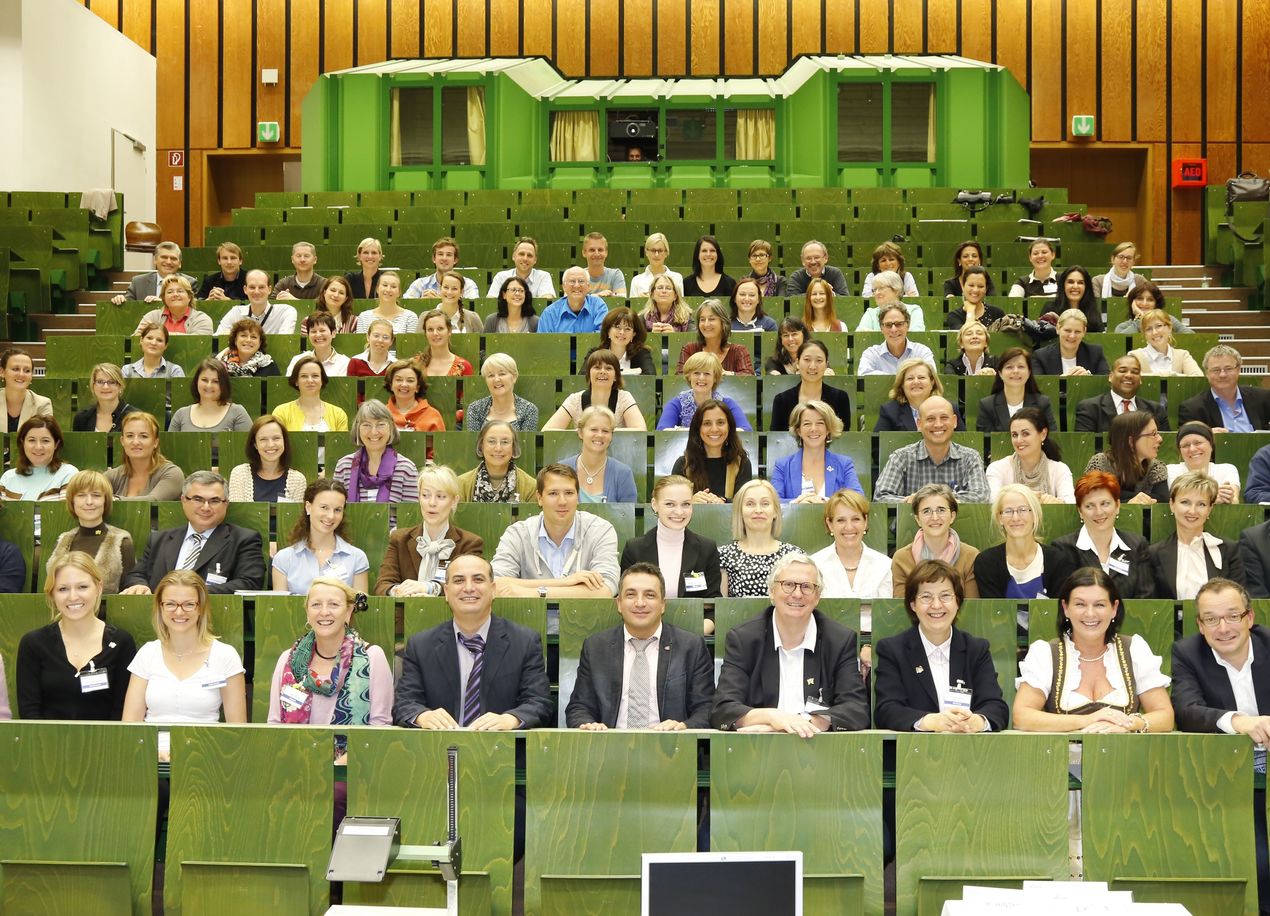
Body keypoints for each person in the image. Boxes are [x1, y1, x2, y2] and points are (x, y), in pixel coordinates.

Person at [711, 551, 870, 734]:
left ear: (817, 596)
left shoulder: (839, 640)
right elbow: (723, 709)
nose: (797, 594)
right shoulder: (744, 639)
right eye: (788, 585)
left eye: (806, 586)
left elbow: (856, 709)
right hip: (758, 749)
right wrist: (773, 717)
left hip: (818, 747)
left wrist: (808, 723)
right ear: (771, 591)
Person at [394, 554, 552, 730]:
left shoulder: (524, 642)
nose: (469, 588)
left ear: (493, 589)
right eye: (459, 580)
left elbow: (539, 703)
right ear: (446, 592)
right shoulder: (421, 645)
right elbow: (404, 704)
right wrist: (423, 716)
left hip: (501, 750)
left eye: (478, 579)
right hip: (437, 750)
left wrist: (510, 719)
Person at [1013, 567, 1173, 733]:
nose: (1090, 614)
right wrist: (1089, 720)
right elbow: (1022, 716)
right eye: (1080, 604)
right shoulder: (1045, 654)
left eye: (1099, 605)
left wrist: (1129, 724)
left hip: (1126, 756)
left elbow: (1165, 716)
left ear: (1114, 608)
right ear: (1065, 607)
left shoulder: (1134, 650)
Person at [566, 562, 715, 730]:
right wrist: (589, 725)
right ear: (619, 604)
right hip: (609, 748)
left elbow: (707, 708)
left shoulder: (690, 647)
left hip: (671, 749)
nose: (640, 603)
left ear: (663, 604)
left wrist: (684, 726)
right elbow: (578, 707)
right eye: (630, 595)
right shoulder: (596, 647)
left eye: (650, 595)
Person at [122, 571, 248, 754]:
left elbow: (237, 731)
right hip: (149, 758)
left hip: (205, 760)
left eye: (189, 604)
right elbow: (130, 726)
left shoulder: (225, 656)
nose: (179, 612)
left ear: (201, 608)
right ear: (160, 607)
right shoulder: (148, 653)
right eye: (171, 604)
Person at [874, 560, 1009, 732]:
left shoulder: (976, 650)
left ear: (957, 602)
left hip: (969, 752)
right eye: (926, 597)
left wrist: (977, 721)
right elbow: (886, 710)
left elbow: (996, 707)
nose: (936, 605)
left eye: (945, 596)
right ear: (913, 604)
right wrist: (928, 722)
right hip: (911, 753)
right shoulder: (893, 650)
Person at [17, 552, 137, 719]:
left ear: (99, 588)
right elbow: (30, 714)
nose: (73, 597)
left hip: (107, 743)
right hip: (46, 743)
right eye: (63, 589)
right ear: (52, 594)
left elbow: (122, 712)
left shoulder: (121, 642)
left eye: (82, 587)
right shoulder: (34, 644)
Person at [267, 577, 393, 727]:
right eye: (316, 605)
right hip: (296, 749)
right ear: (307, 612)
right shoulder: (288, 660)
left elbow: (380, 726)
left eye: (333, 604)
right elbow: (275, 724)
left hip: (353, 750)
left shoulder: (372, 658)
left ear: (348, 612)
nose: (324, 612)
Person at [119, 471, 265, 595]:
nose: (205, 507)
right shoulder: (159, 539)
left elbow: (249, 583)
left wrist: (190, 594)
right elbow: (136, 575)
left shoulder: (244, 540)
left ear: (225, 503)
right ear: (183, 500)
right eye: (198, 499)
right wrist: (139, 585)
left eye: (214, 501)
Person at [491, 464, 620, 598]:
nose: (562, 501)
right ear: (539, 498)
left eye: (569, 493)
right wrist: (565, 582)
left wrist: (536, 592)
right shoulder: (517, 534)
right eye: (553, 493)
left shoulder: (600, 530)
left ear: (578, 497)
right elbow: (495, 584)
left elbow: (606, 589)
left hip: (583, 618)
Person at [374, 466, 485, 597]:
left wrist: (429, 588)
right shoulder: (399, 539)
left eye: (441, 496)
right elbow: (382, 585)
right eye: (425, 495)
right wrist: (399, 591)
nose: (432, 503)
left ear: (454, 501)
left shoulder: (469, 543)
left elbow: (468, 587)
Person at [1048, 471, 1154, 599]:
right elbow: (1064, 602)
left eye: (1105, 504)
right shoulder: (1063, 549)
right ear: (1080, 512)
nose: (1099, 512)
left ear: (1118, 506)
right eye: (1089, 506)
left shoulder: (1137, 546)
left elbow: (1146, 599)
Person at [620, 475, 722, 598]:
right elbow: (628, 597)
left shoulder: (707, 549)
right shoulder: (634, 549)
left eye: (686, 504)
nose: (679, 512)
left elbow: (712, 602)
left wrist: (707, 618)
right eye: (670, 504)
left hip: (693, 618)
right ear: (654, 505)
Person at [1147, 472, 1244, 600]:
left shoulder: (1228, 550)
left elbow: (1239, 600)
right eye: (1185, 502)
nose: (1192, 511)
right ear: (1172, 504)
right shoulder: (1154, 554)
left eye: (1201, 504)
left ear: (1210, 509)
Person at [874, 397, 990, 503]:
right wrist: (908, 502)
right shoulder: (901, 457)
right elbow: (881, 496)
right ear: (919, 424)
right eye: (930, 419)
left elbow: (981, 496)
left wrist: (925, 500)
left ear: (954, 421)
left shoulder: (971, 457)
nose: (938, 424)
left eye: (944, 418)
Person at [272, 479, 370, 595]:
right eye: (324, 507)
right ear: (308, 507)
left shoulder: (357, 558)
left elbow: (360, 609)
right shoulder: (284, 559)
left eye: (337, 510)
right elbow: (280, 608)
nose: (331, 516)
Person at [44, 470, 137, 594]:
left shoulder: (121, 541)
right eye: (81, 495)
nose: (89, 502)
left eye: (96, 495)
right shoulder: (63, 540)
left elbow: (128, 594)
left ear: (106, 500)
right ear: (72, 501)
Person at [973, 484, 1066, 606]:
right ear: (999, 518)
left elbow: (1059, 614)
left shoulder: (1057, 560)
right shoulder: (986, 562)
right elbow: (995, 618)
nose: (1015, 518)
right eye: (1008, 511)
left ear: (1035, 515)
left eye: (1022, 510)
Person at [891, 483, 980, 598]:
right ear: (918, 519)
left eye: (941, 510)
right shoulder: (901, 558)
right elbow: (901, 610)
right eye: (926, 511)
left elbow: (971, 609)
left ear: (952, 516)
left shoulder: (971, 556)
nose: (934, 517)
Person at [718, 479, 799, 597]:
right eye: (750, 504)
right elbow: (722, 609)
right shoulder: (723, 555)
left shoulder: (794, 555)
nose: (758, 510)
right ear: (740, 512)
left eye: (765, 503)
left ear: (775, 511)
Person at [772, 400, 863, 502]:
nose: (813, 429)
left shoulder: (844, 464)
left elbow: (858, 500)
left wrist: (825, 502)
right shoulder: (782, 466)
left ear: (828, 429)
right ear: (799, 431)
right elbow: (774, 502)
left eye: (820, 423)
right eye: (807, 424)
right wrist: (798, 503)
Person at [333, 400, 420, 504]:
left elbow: (410, 515)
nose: (374, 432)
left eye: (380, 424)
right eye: (367, 425)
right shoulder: (343, 466)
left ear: (391, 428)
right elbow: (336, 509)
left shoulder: (406, 468)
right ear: (357, 429)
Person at [810, 489, 891, 599]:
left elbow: (885, 613)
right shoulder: (814, 565)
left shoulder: (884, 564)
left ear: (865, 521)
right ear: (830, 524)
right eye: (841, 520)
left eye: (856, 519)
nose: (849, 527)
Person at [670, 398, 753, 504]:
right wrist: (689, 501)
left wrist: (723, 502)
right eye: (707, 423)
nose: (714, 429)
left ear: (729, 427)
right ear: (698, 428)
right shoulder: (683, 464)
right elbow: (672, 502)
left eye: (720, 422)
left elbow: (745, 503)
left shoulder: (741, 463)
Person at [986, 407, 1075, 503]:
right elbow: (993, 502)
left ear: (1043, 434)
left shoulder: (1060, 469)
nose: (1019, 440)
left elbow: (1070, 504)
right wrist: (1028, 498)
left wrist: (1057, 503)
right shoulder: (997, 468)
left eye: (1025, 434)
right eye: (1015, 435)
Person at [545, 349, 647, 431]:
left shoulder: (624, 397)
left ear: (616, 376)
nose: (602, 372)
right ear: (589, 374)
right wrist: (584, 433)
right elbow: (547, 431)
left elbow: (641, 430)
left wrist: (604, 431)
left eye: (608, 368)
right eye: (597, 367)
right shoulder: (575, 399)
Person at [1084, 410, 1169, 504]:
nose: (1160, 439)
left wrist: (1116, 496)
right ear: (1131, 441)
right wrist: (1130, 501)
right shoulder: (1100, 462)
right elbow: (1091, 496)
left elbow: (1163, 500)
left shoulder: (1156, 466)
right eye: (1153, 434)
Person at [1179, 344, 1270, 431]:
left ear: (1238, 370)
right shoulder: (1192, 409)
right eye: (1216, 370)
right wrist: (1207, 435)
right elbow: (1188, 440)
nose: (1222, 375)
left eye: (1228, 369)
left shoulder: (1263, 398)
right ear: (1207, 373)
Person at [560, 405, 638, 503]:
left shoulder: (623, 473)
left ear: (611, 436)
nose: (600, 435)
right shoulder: (560, 471)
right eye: (593, 430)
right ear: (580, 433)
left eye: (605, 431)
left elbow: (627, 516)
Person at [1073, 354, 1170, 432]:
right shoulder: (1090, 408)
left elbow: (1165, 447)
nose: (1129, 375)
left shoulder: (1156, 410)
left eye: (1135, 372)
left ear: (1140, 380)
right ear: (1110, 376)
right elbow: (1086, 448)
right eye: (1123, 371)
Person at [659, 351, 752, 432]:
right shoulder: (676, 404)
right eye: (696, 373)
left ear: (715, 378)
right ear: (689, 376)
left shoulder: (727, 403)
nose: (701, 378)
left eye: (707, 373)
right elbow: (662, 431)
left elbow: (746, 430)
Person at [103, 411, 184, 501]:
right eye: (130, 436)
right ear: (122, 441)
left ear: (155, 442)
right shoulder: (112, 476)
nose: (135, 442)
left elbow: (153, 500)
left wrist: (113, 500)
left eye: (143, 436)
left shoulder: (172, 473)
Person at [226, 414, 307, 503]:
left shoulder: (297, 480)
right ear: (255, 444)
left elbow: (296, 516)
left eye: (276, 438)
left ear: (284, 441)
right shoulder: (240, 474)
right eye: (263, 439)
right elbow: (238, 514)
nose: (270, 444)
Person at [975, 347, 1058, 433]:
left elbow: (1051, 437)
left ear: (1029, 372)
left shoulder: (1042, 403)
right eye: (1009, 367)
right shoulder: (987, 405)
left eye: (1021, 366)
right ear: (1000, 373)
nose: (1015, 371)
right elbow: (985, 443)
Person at [457, 420, 538, 503]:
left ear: (513, 447)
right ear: (481, 445)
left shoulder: (531, 487)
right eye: (491, 441)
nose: (498, 448)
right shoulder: (460, 485)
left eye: (505, 442)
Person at [0, 416, 78, 504]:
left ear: (56, 444)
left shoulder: (68, 474)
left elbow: (64, 515)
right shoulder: (8, 478)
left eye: (45, 441)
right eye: (32, 440)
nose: (38, 447)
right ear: (23, 443)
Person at [877, 358, 965, 433]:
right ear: (902, 385)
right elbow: (877, 448)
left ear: (932, 383)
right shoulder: (890, 411)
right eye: (910, 378)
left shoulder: (950, 408)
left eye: (921, 377)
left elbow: (963, 442)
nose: (916, 382)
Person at [271, 355, 350, 435]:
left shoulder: (338, 414)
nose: (310, 380)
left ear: (322, 380)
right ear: (296, 381)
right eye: (304, 376)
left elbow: (341, 446)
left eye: (315, 376)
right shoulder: (281, 412)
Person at [167, 359, 252, 432]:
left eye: (216, 381)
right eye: (204, 380)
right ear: (196, 381)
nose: (209, 386)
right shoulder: (181, 414)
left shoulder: (237, 413)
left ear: (224, 385)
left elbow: (248, 448)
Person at [674, 299, 755, 376]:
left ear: (723, 323)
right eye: (702, 320)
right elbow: (680, 376)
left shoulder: (739, 351)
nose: (706, 324)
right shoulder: (689, 349)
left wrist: (730, 374)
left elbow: (748, 377)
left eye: (711, 319)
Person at [464, 354, 540, 432]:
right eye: (491, 375)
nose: (496, 379)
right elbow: (474, 443)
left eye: (502, 374)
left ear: (514, 377)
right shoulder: (475, 409)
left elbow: (525, 443)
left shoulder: (529, 410)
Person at [856, 303, 937, 377]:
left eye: (899, 324)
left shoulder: (922, 352)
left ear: (908, 325)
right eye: (888, 325)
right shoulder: (871, 354)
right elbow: (864, 377)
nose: (894, 329)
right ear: (881, 328)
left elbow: (931, 377)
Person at [1168, 421, 1241, 502]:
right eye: (1186, 445)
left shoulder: (1227, 469)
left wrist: (1229, 498)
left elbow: (1235, 501)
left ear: (1211, 445)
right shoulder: (1170, 470)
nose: (1192, 449)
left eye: (1198, 443)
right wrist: (1213, 498)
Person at [213, 269, 299, 335]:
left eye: (261, 287)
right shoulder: (235, 312)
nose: (256, 292)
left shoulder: (285, 312)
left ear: (269, 289)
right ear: (245, 290)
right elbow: (218, 337)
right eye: (252, 287)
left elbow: (284, 341)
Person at [1030, 308, 1110, 376]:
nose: (1072, 336)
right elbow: (1037, 388)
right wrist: (1061, 381)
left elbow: (1105, 382)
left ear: (1084, 332)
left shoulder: (1095, 353)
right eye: (1067, 330)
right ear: (1058, 329)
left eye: (1077, 332)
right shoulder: (1041, 356)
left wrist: (1088, 377)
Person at [111, 241, 194, 304]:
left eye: (173, 258)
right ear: (155, 260)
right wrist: (121, 299)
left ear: (180, 264)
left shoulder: (189, 283)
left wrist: (161, 303)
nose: (168, 262)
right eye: (164, 257)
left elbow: (192, 307)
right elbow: (128, 304)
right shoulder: (138, 282)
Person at [131, 274, 214, 335]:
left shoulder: (201, 319)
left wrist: (155, 333)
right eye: (170, 292)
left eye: (180, 291)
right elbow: (136, 340)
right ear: (164, 298)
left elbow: (199, 344)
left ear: (189, 297)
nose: (175, 294)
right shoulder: (152, 317)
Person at [1128, 309, 1203, 376]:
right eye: (1149, 329)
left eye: (1158, 326)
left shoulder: (1182, 355)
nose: (1154, 332)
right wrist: (1172, 375)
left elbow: (1198, 378)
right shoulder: (1135, 356)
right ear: (1144, 334)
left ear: (1169, 328)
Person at [403, 236, 481, 299]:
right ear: (434, 259)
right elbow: (405, 307)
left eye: (449, 255)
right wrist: (421, 303)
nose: (444, 258)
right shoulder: (420, 284)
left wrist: (444, 301)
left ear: (455, 260)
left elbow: (472, 310)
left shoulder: (468, 284)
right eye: (440, 254)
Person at [585, 306, 656, 376]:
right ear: (608, 331)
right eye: (617, 327)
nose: (622, 332)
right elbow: (582, 378)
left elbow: (650, 378)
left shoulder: (641, 353)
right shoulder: (595, 354)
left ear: (633, 334)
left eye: (627, 329)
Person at [537, 266, 608, 334]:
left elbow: (602, 336)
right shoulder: (550, 314)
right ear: (564, 287)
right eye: (572, 281)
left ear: (588, 286)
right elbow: (544, 343)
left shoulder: (598, 307)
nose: (577, 285)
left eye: (581, 281)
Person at [72, 363, 136, 433]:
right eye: (100, 382)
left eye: (112, 382)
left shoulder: (135, 417)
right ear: (93, 386)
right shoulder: (82, 418)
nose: (105, 387)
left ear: (120, 386)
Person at [384, 358, 444, 432]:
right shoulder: (381, 414)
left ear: (417, 387)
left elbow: (439, 443)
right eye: (398, 380)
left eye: (410, 380)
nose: (404, 384)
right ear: (391, 385)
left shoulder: (432, 415)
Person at [0, 347, 52, 432]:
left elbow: (42, 440)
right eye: (15, 369)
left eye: (27, 371)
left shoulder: (42, 405)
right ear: (2, 372)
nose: (21, 374)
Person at [487, 236, 556, 299]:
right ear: (513, 256)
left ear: (535, 260)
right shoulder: (501, 277)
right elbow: (491, 302)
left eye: (529, 255)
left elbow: (547, 300)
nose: (525, 259)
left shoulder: (543, 277)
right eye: (521, 254)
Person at [1114, 280, 1191, 335]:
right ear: (1132, 303)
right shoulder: (1123, 327)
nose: (1144, 303)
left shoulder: (1168, 320)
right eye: (1140, 298)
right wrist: (1141, 318)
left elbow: (1190, 335)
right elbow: (1120, 340)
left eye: (1150, 300)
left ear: (1156, 303)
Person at [857, 270, 926, 332]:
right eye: (875, 290)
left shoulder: (914, 310)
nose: (877, 293)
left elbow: (916, 335)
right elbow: (862, 336)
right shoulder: (870, 313)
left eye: (881, 288)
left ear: (896, 290)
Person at [287, 311, 350, 378]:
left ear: (333, 333)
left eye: (322, 330)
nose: (318, 335)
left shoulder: (345, 363)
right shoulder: (297, 360)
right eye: (313, 331)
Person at [354, 270, 416, 335]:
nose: (388, 290)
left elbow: (410, 344)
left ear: (399, 293)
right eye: (385, 285)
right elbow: (362, 344)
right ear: (377, 289)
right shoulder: (364, 317)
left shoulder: (410, 317)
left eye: (393, 286)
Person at [943, 266, 1005, 330]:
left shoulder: (997, 313)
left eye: (980, 286)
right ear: (963, 287)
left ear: (986, 289)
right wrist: (970, 311)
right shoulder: (954, 316)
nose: (975, 290)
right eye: (971, 285)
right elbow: (967, 335)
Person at [417, 309, 474, 377]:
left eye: (440, 328)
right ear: (425, 333)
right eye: (430, 329)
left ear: (449, 331)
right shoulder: (415, 364)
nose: (435, 333)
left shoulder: (463, 366)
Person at [216, 317, 281, 377]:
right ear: (235, 340)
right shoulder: (219, 364)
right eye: (243, 335)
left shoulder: (269, 366)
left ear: (260, 343)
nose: (248, 340)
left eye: (253, 337)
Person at [628, 232, 685, 298]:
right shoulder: (637, 281)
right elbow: (634, 307)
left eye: (660, 251)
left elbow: (679, 305)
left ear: (666, 253)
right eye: (653, 250)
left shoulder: (677, 278)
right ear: (646, 252)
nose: (656, 255)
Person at [1050, 264, 1105, 332]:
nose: (1075, 286)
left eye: (1080, 283)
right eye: (1070, 282)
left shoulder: (1093, 312)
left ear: (1086, 287)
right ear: (1063, 285)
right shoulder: (1051, 310)